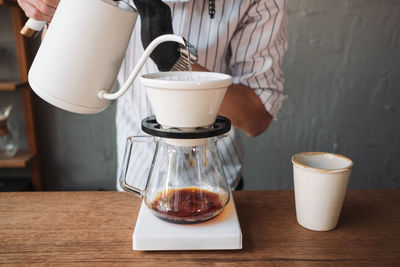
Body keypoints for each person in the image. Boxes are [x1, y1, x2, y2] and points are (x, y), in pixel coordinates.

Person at [18, 0, 288, 190]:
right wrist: (56, 12)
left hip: (216, 181)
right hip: (136, 179)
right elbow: (64, 76)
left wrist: (176, 63)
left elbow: (257, 118)